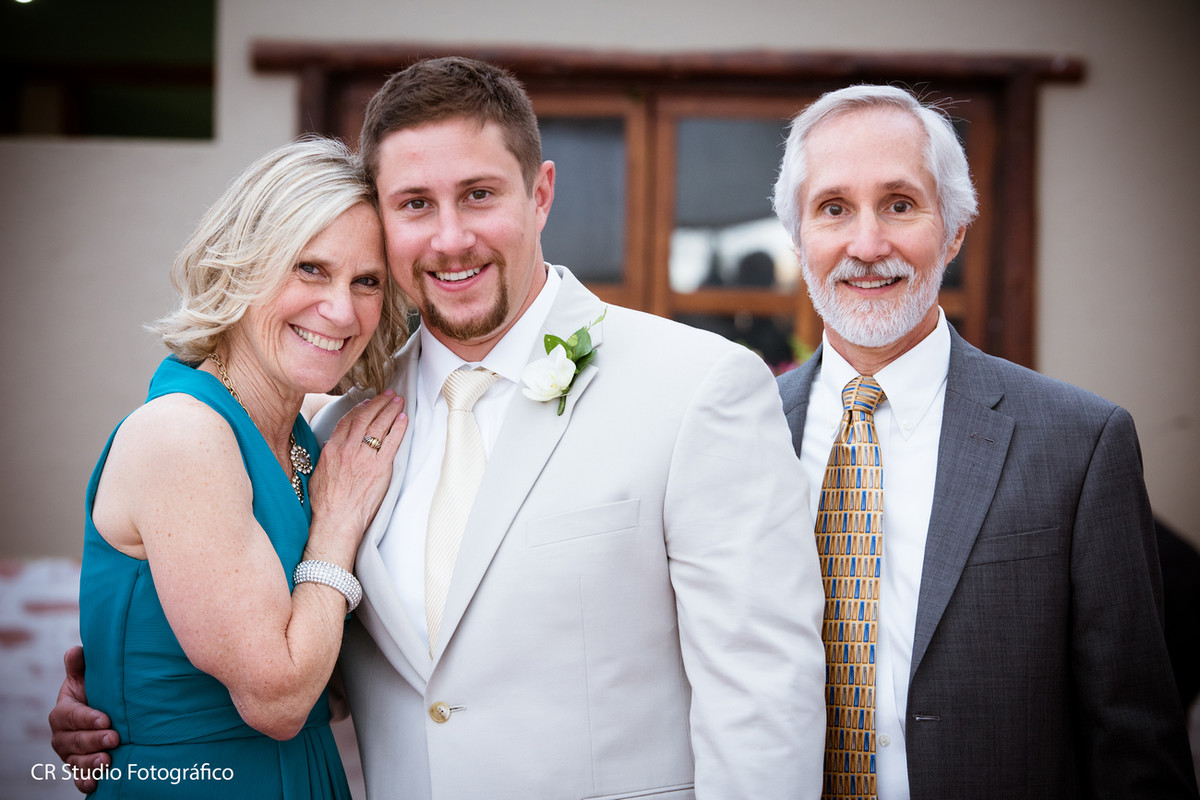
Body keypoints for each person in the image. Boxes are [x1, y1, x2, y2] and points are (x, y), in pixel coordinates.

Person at [53, 57, 827, 799]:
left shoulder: (696, 387)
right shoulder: (346, 432)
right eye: (416, 204)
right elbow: (325, 667)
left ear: (541, 194)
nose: (450, 238)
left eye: (479, 195)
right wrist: (125, 703)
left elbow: (762, 693)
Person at [771, 84, 1199, 799]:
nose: (867, 246)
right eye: (834, 208)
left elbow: (1135, 741)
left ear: (954, 231)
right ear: (797, 237)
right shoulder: (741, 434)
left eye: (900, 204)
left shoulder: (1080, 443)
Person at [57, 137, 410, 798]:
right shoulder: (181, 434)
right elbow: (279, 700)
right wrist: (336, 523)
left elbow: (327, 685)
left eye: (367, 281)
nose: (342, 310)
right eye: (310, 268)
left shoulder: (314, 431)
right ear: (243, 265)